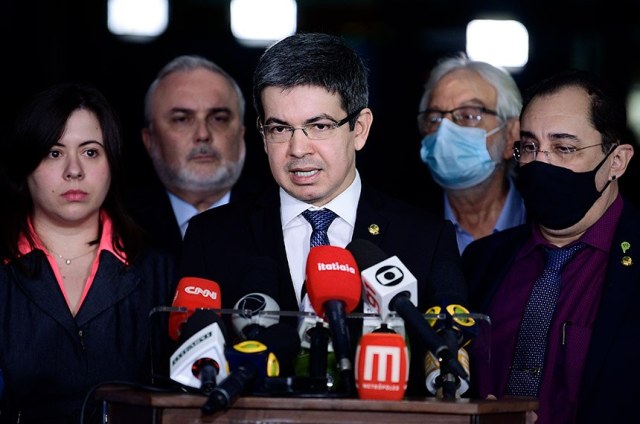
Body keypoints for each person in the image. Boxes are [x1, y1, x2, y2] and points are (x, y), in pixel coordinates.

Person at [178, 32, 464, 397]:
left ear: (359, 129)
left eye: (320, 126)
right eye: (280, 128)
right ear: (263, 135)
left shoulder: (426, 239)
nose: (298, 149)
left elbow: (449, 376)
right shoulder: (211, 237)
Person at [462, 69, 638, 423]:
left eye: (564, 148)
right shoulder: (481, 261)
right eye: (529, 147)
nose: (541, 162)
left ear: (616, 161)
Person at [0, 82, 177, 423]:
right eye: (54, 152)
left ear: (112, 163)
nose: (74, 170)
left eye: (90, 151)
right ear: (26, 165)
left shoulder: (159, 272)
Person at [127, 55, 250, 259]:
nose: (203, 134)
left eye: (219, 118)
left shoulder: (278, 220)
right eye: (182, 119)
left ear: (241, 135)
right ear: (150, 140)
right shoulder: (119, 225)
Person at [417, 53, 526, 253]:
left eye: (468, 115)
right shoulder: (407, 226)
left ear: (511, 135)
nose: (445, 131)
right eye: (434, 119)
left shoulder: (544, 222)